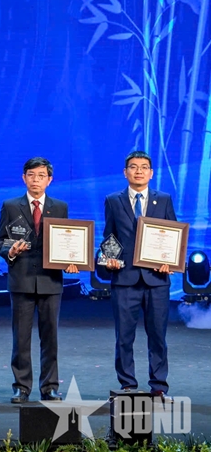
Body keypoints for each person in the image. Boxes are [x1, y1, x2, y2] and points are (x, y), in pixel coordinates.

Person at [0, 157, 77, 403]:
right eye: (31, 175)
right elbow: (0, 242)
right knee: (20, 337)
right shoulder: (11, 206)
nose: (36, 180)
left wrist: (71, 260)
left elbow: (67, 241)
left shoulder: (60, 207)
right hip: (21, 279)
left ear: (49, 180)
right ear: (24, 178)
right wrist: (10, 251)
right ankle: (21, 387)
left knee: (50, 337)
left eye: (41, 176)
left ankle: (49, 386)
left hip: (50, 280)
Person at [103, 151, 177, 397]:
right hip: (125, 279)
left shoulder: (163, 199)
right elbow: (109, 236)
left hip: (157, 280)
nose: (139, 171)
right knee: (124, 336)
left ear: (151, 173)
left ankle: (159, 385)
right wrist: (109, 259)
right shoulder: (113, 200)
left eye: (144, 167)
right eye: (133, 167)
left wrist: (169, 261)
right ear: (125, 172)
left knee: (157, 336)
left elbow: (172, 234)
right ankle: (127, 384)